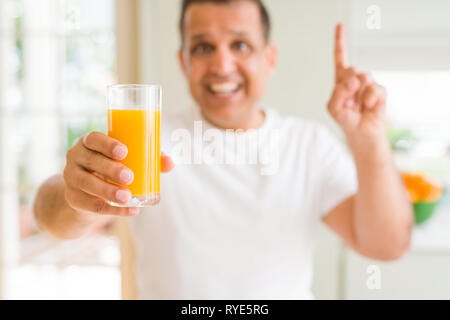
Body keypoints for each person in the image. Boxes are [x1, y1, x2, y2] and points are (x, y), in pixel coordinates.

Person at [34, 0, 414, 299]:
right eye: (203, 47)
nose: (222, 64)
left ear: (270, 59)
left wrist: (369, 138)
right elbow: (50, 217)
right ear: (184, 62)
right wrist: (78, 194)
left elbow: (387, 244)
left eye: (241, 45)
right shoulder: (147, 139)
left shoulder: (308, 145)